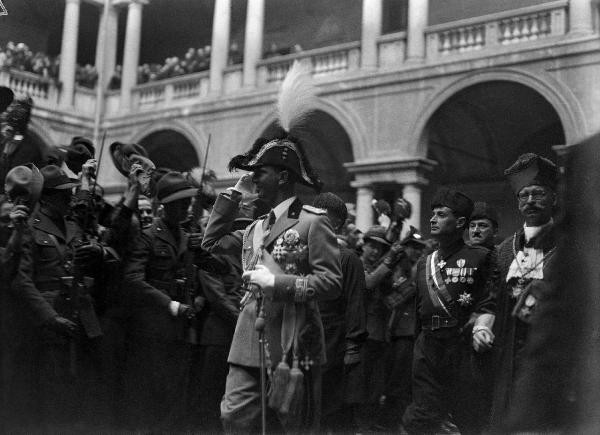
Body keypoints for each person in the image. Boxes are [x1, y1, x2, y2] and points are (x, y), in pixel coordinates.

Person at [11, 164, 117, 429]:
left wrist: (98, 251)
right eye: (63, 195)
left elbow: (106, 254)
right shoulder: (30, 228)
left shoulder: (72, 225)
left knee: (78, 392)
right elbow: (22, 281)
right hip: (49, 325)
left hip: (80, 318)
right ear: (46, 198)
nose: (69, 198)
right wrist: (51, 318)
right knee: (52, 395)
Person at [402, 187, 496, 434]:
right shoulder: (426, 261)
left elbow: (489, 302)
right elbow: (419, 309)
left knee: (468, 416)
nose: (433, 219)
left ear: (460, 222)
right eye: (433, 213)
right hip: (427, 347)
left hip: (461, 348)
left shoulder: (481, 257)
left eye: (441, 214)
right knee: (422, 416)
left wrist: (481, 327)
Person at [122, 171, 205, 431]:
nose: (186, 208)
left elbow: (191, 277)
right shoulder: (148, 236)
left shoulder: (187, 235)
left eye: (187, 202)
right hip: (153, 330)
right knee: (151, 397)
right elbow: (133, 278)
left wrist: (196, 298)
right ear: (166, 206)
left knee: (175, 396)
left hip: (181, 329)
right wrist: (170, 304)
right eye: (180, 203)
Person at [490, 153, 560, 430]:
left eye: (538, 193)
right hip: (506, 356)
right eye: (524, 195)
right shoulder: (503, 251)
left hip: (552, 354)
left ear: (554, 198)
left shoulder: (572, 249)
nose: (530, 201)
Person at [312, 192, 367, 433]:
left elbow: (355, 304)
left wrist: (353, 347)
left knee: (332, 410)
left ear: (337, 225)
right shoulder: (301, 254)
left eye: (323, 219)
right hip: (304, 339)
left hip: (333, 343)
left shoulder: (347, 259)